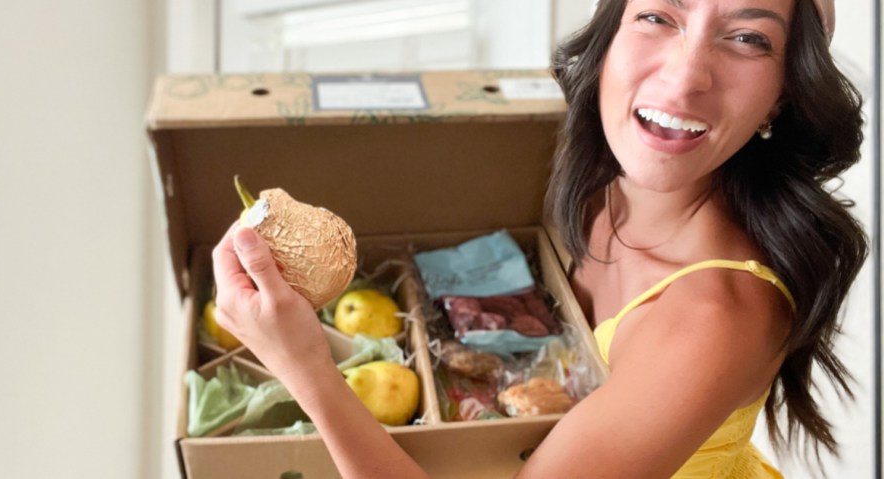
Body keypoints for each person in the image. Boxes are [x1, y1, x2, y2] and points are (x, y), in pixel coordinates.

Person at [211, 0, 866, 477]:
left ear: (784, 93)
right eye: (657, 15)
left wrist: (304, 368)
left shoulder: (714, 316)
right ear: (609, 37)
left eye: (749, 38)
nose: (687, 75)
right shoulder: (598, 185)